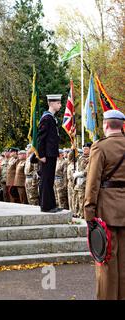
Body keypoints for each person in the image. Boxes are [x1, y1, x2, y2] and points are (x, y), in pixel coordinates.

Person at [84, 109, 125, 300]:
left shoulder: (100, 147)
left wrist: (89, 212)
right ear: (122, 126)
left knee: (106, 262)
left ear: (106, 125)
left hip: (107, 211)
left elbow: (92, 183)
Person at [37, 94, 63, 213]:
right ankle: (46, 206)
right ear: (51, 103)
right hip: (46, 155)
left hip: (51, 153)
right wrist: (41, 155)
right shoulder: (46, 118)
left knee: (49, 180)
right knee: (46, 179)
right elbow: (41, 138)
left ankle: (51, 205)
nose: (60, 105)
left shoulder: (51, 118)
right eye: (58, 103)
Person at [73, 143, 91, 218]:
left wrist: (80, 173)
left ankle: (82, 215)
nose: (84, 150)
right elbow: (71, 158)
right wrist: (73, 149)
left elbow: (88, 170)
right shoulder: (80, 158)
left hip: (84, 182)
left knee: (82, 200)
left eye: (86, 148)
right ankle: (76, 213)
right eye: (83, 149)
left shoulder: (91, 158)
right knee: (75, 199)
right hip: (78, 182)